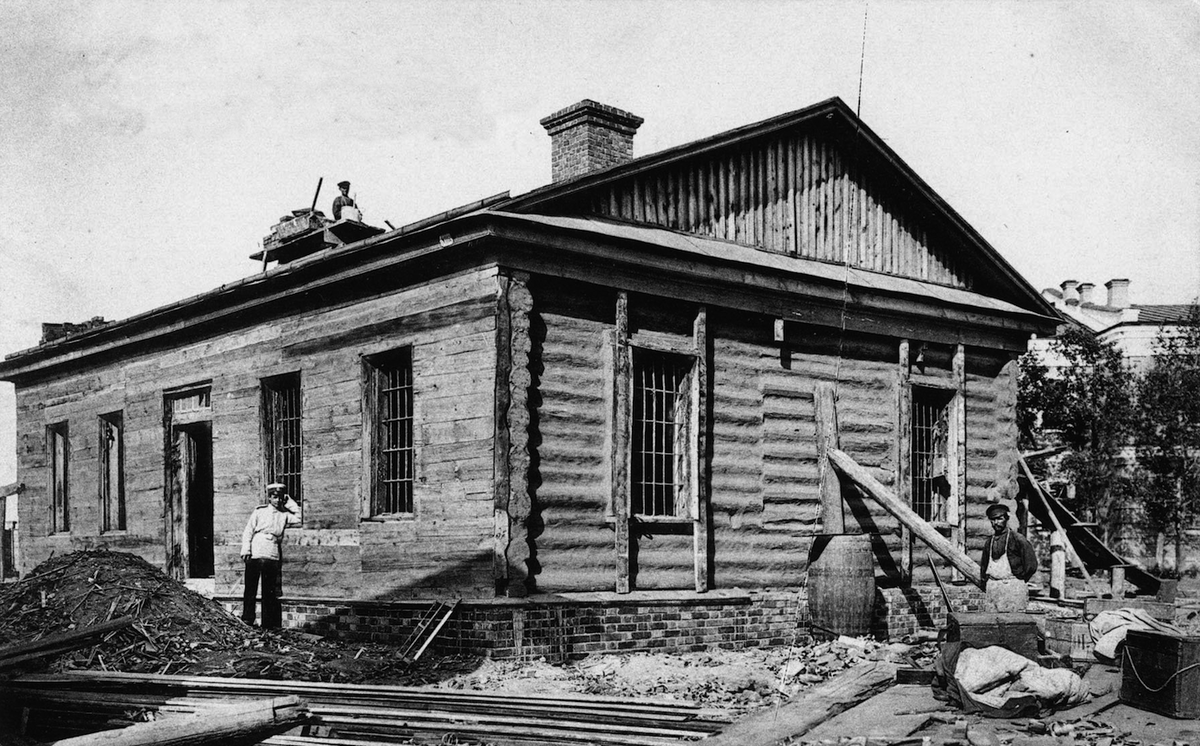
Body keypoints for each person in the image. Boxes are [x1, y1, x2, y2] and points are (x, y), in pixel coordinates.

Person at [241, 482, 301, 628]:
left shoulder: (284, 515)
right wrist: (246, 549)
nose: (277, 500)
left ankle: (267, 624)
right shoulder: (259, 511)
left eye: (280, 497)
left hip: (272, 553)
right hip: (256, 550)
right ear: (269, 498)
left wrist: (290, 502)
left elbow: (300, 517)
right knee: (251, 588)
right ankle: (248, 619)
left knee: (269, 591)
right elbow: (248, 530)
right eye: (274, 497)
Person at [979, 502, 1038, 612]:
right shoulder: (989, 542)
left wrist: (1020, 579)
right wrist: (986, 582)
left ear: (1006, 519)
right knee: (992, 621)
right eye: (992, 519)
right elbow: (984, 565)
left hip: (1012, 587)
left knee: (1013, 622)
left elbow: (1031, 565)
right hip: (993, 587)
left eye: (999, 518)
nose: (995, 522)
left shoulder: (1018, 539)